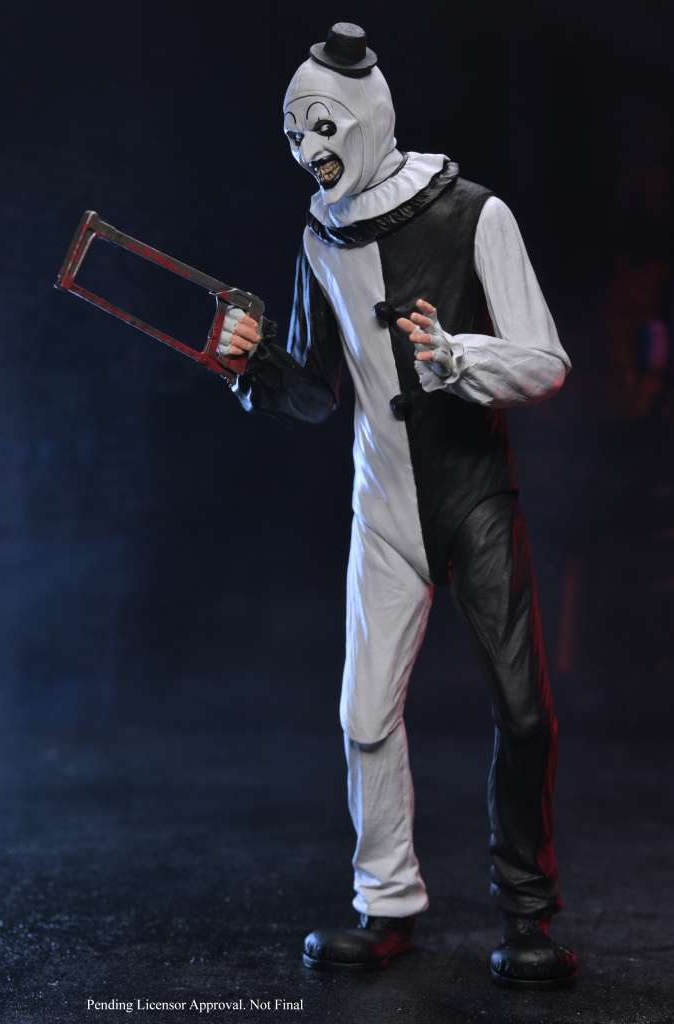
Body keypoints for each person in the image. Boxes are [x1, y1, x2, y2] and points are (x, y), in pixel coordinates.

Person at [216, 22, 577, 990]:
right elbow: (314, 391)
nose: (308, 149)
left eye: (320, 127)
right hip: (382, 504)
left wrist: (456, 357)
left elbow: (546, 361)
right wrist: (250, 363)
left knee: (523, 713)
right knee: (363, 713)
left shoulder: (474, 214)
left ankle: (529, 917)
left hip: (473, 496)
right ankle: (385, 904)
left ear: (364, 115)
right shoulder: (319, 238)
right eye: (293, 134)